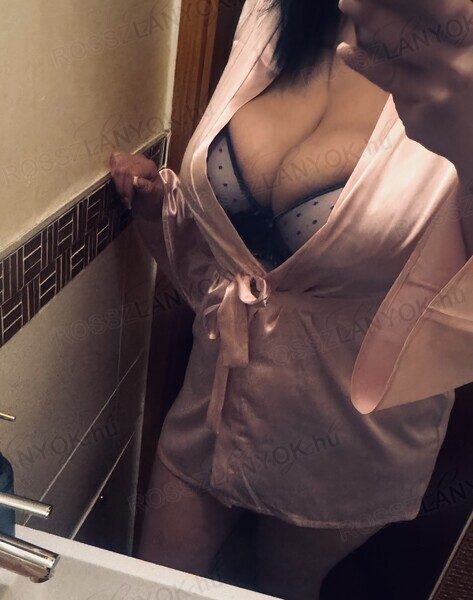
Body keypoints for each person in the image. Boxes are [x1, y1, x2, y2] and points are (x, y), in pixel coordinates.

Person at [110, 1, 473, 598]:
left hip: (345, 431)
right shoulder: (269, 14)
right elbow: (234, 266)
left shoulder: (457, 54)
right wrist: (163, 210)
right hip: (214, 401)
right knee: (148, 586)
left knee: (281, 588)